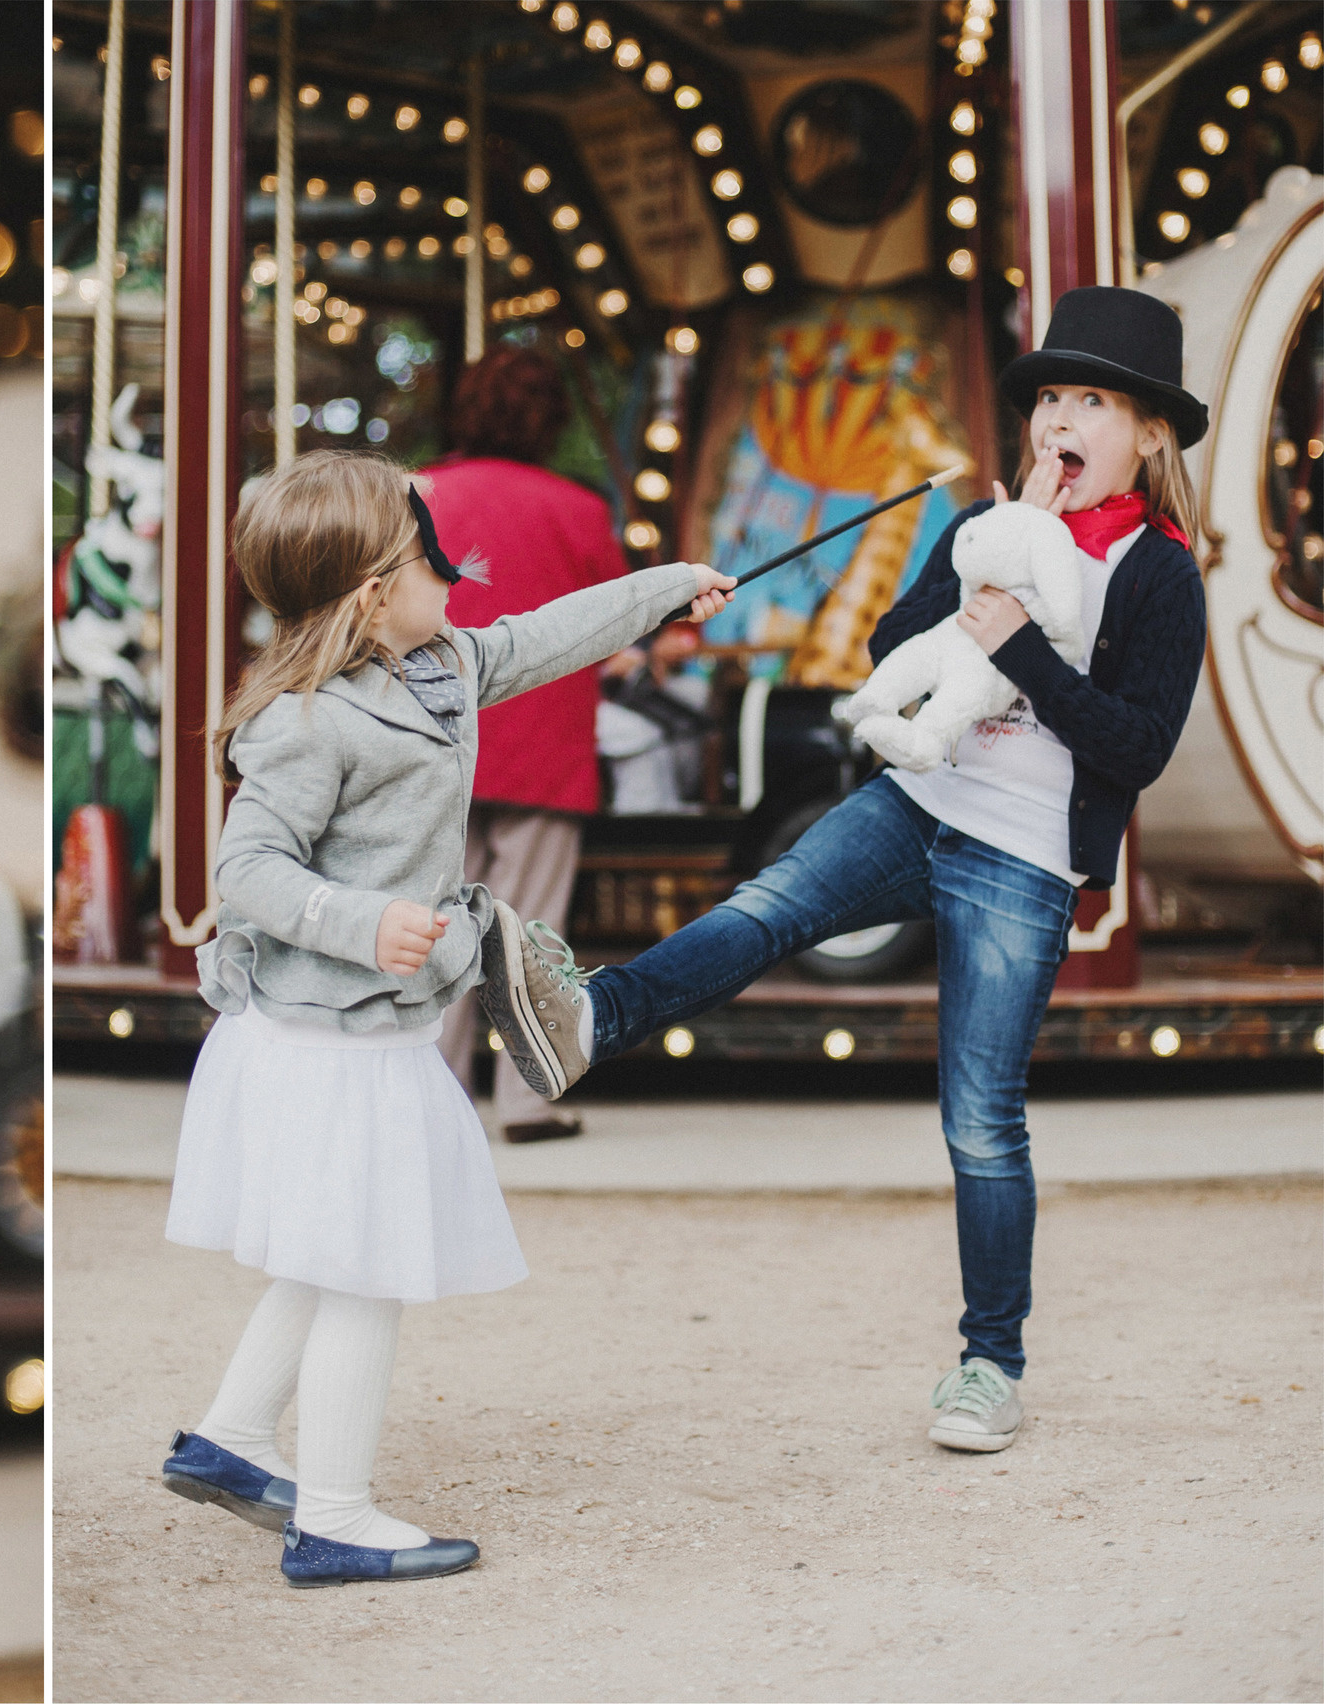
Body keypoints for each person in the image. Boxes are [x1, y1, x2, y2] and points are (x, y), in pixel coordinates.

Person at [512, 286, 1210, 1455]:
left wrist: (1021, 647)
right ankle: (591, 1017)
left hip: (1024, 856)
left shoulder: (1158, 573)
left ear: (1146, 433)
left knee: (980, 1118)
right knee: (766, 903)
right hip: (913, 799)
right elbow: (893, 647)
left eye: (1090, 400)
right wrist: (979, 570)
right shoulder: (985, 526)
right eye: (1048, 399)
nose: (1059, 422)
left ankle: (990, 1365)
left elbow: (1135, 746)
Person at [155, 450, 732, 1588]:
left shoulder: (444, 664)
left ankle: (227, 1440)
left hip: (374, 1038)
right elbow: (248, 870)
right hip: (328, 1047)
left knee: (328, 1260)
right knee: (366, 1266)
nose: (455, 578)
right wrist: (360, 921)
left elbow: (553, 635)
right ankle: (334, 1518)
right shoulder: (305, 723)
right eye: (432, 561)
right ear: (374, 591)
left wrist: (667, 585)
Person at [420, 345, 628, 1142]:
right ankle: (526, 1099)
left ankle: (432, 1095)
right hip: (544, 739)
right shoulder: (577, 508)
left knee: (436, 924)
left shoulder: (418, 493)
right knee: (530, 929)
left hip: (435, 735)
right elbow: (615, 624)